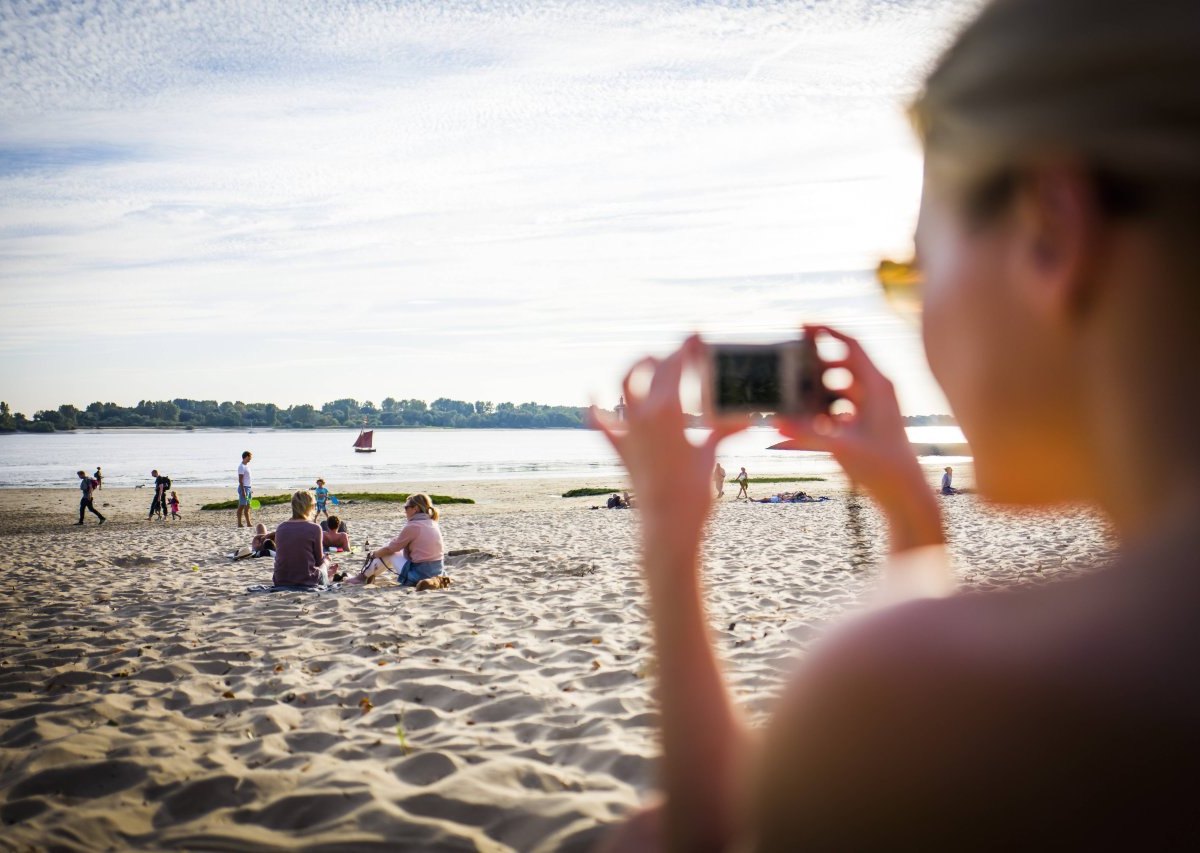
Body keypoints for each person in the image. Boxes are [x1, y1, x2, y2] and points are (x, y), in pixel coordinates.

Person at [591, 2, 1200, 848]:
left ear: (1052, 231)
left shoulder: (905, 688)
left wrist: (666, 539)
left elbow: (714, 830)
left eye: (911, 270)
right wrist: (911, 509)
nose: (916, 316)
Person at [347, 493, 444, 586]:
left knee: (388, 550)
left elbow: (391, 549)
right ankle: (368, 575)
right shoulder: (432, 523)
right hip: (437, 572)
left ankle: (362, 577)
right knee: (392, 548)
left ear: (415, 509)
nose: (404, 511)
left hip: (419, 575)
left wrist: (374, 554)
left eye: (406, 508)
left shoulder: (414, 526)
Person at [272, 490, 335, 587]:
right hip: (307, 580)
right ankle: (327, 574)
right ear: (310, 507)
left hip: (280, 580)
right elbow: (319, 560)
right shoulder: (315, 528)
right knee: (326, 561)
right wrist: (326, 561)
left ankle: (326, 574)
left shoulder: (281, 527)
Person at [236, 451, 253, 528]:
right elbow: (240, 480)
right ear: (246, 457)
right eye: (250, 457)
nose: (251, 459)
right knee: (241, 506)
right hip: (244, 488)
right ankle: (239, 523)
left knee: (248, 507)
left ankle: (248, 523)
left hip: (248, 488)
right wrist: (243, 491)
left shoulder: (247, 466)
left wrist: (250, 489)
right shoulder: (241, 467)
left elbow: (247, 479)